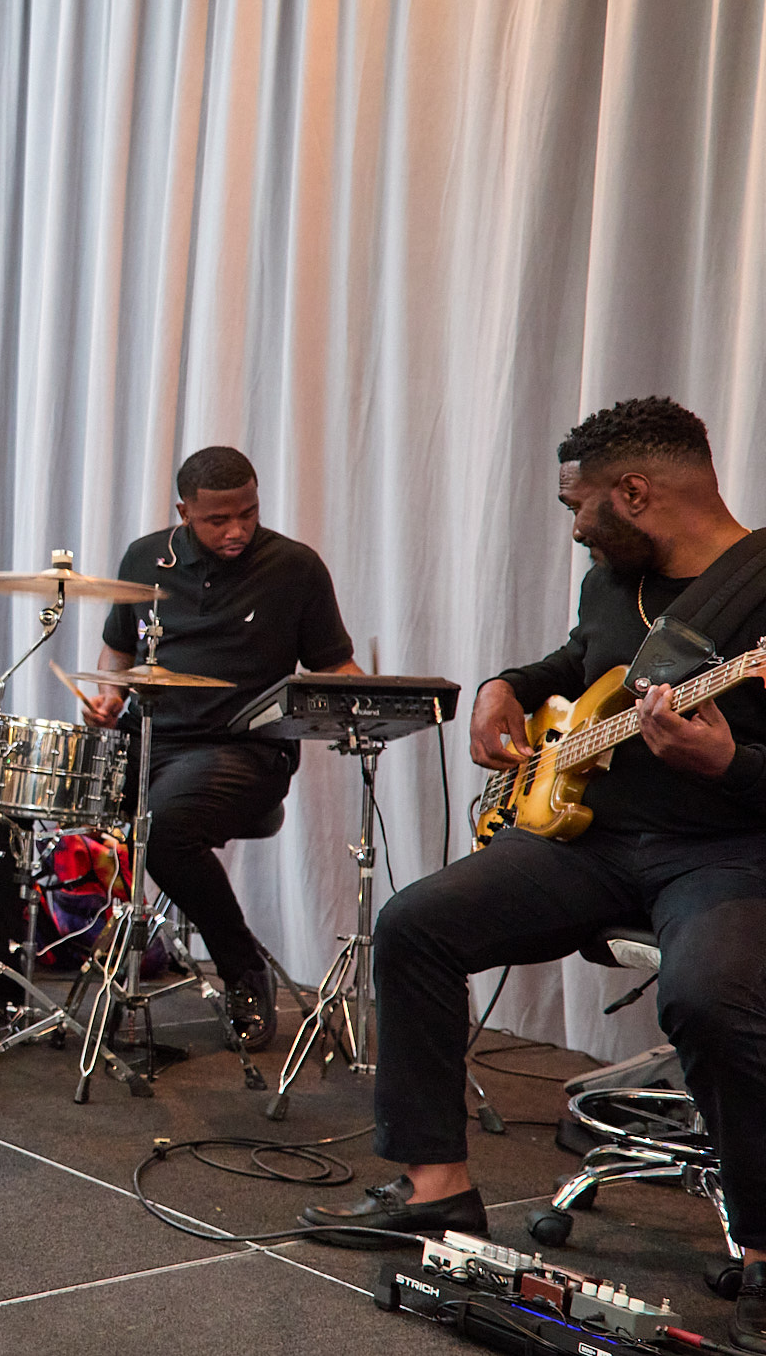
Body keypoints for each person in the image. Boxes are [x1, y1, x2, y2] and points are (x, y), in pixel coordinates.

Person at [301, 398, 766, 1351]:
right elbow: (578, 660)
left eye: (578, 505)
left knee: (711, 993)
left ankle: (763, 1248)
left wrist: (730, 765)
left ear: (633, 492)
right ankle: (437, 1188)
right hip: (590, 843)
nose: (576, 526)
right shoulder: (614, 579)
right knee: (416, 924)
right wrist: (503, 686)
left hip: (727, 850)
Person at [82, 446, 364, 1050]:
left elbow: (335, 665)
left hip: (244, 750)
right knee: (30, 797)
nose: (237, 530)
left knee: (162, 830)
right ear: (184, 512)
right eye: (218, 520)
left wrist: (374, 704)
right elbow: (118, 650)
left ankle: (241, 968)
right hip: (149, 740)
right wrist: (109, 695)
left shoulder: (295, 568)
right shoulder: (144, 558)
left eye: (248, 513)